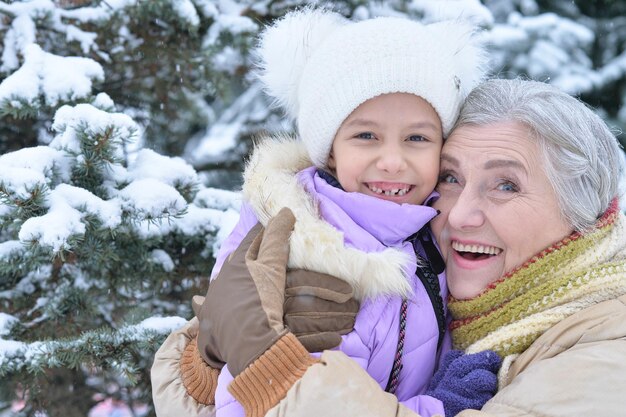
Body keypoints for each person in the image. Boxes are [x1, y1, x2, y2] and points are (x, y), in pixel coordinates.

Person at [177, 77, 626, 417]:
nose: (459, 214)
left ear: (587, 214)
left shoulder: (607, 357)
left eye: (506, 185)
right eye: (450, 178)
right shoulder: (425, 286)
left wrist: (271, 373)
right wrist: (208, 359)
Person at [151, 7, 499, 417]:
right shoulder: (310, 251)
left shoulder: (428, 230)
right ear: (330, 151)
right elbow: (292, 405)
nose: (392, 160)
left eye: (417, 137)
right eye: (366, 135)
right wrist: (439, 408)